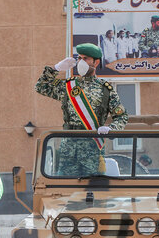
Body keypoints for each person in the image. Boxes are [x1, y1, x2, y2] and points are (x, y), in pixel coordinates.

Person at [35, 43, 129, 176]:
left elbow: (122, 116)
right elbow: (40, 86)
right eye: (79, 58)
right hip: (69, 150)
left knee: (94, 192)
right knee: (65, 190)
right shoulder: (68, 86)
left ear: (96, 62)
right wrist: (55, 68)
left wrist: (112, 128)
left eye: (85, 59)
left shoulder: (105, 89)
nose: (81, 62)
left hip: (92, 151)